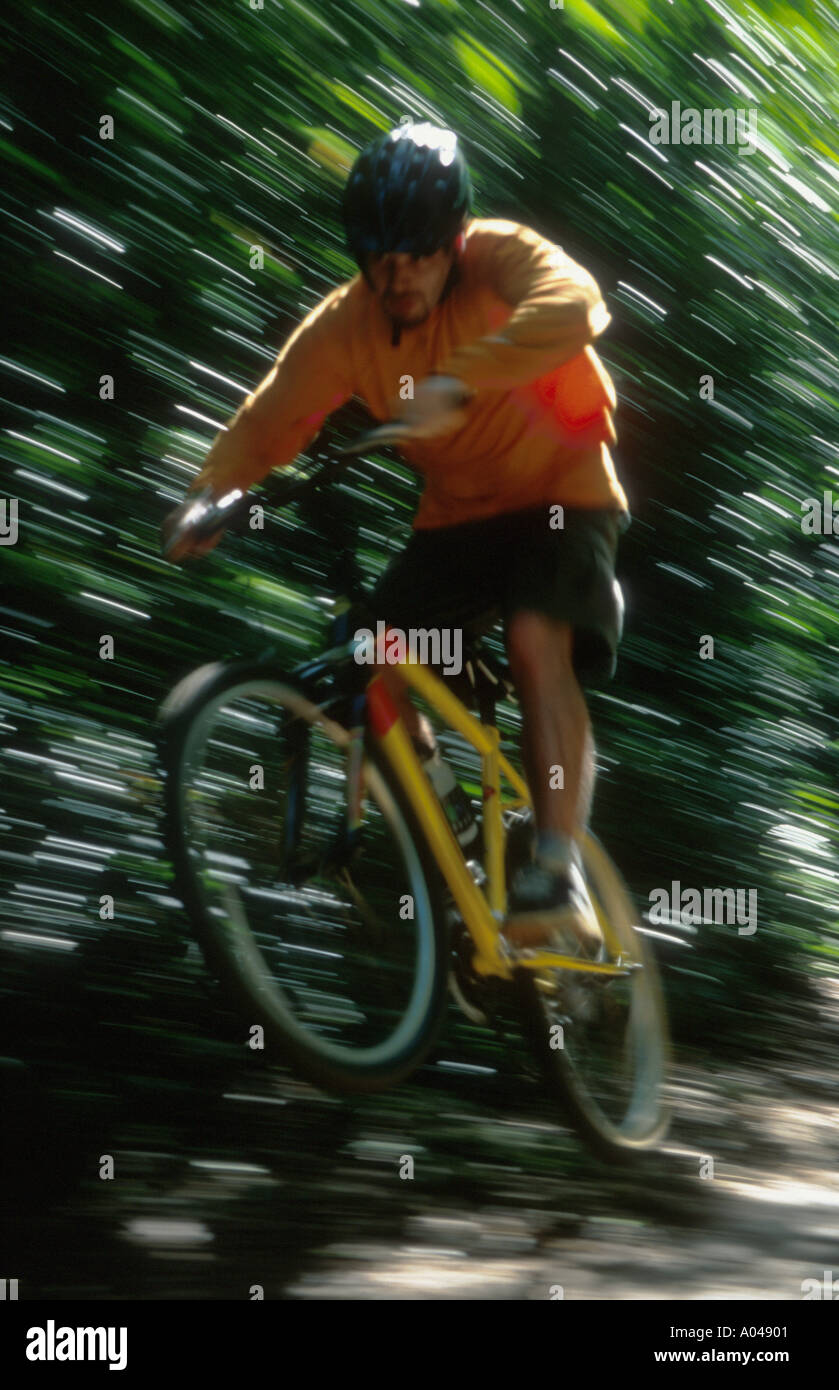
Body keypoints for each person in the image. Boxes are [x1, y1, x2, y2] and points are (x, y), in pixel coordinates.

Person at [163, 118, 630, 956]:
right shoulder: (347, 325)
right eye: (378, 255)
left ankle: (556, 864)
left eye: (416, 253)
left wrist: (459, 378)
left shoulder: (502, 255)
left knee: (533, 636)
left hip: (564, 490)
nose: (398, 273)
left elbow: (578, 306)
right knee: (369, 658)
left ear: (452, 239)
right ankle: (453, 843)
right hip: (458, 518)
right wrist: (209, 494)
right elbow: (272, 418)